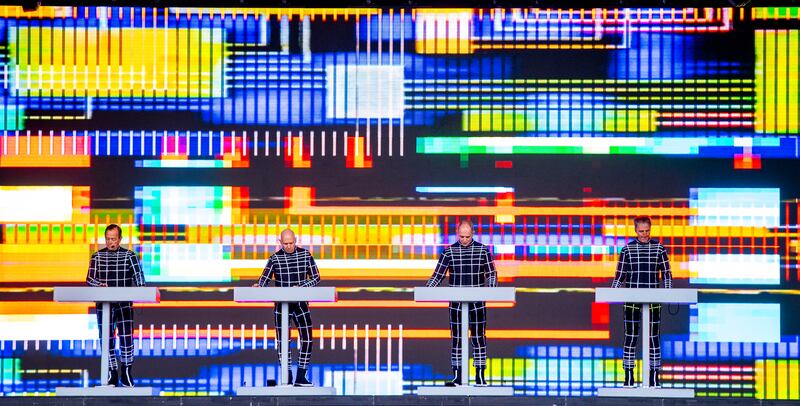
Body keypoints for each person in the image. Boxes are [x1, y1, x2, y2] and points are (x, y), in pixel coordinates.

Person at [426, 219, 497, 387]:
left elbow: (491, 273)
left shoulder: (482, 250)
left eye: (467, 236)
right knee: (457, 338)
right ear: (457, 234)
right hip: (456, 303)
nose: (464, 239)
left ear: (472, 234)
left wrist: (493, 289)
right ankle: (458, 376)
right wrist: (427, 289)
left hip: (477, 302)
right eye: (461, 236)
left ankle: (480, 376)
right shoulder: (449, 252)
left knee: (478, 338)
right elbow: (438, 275)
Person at [611, 216, 673, 388]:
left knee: (653, 338)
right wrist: (612, 293)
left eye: (647, 231)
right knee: (630, 337)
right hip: (631, 299)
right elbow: (620, 274)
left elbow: (667, 272)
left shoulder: (659, 248)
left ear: (650, 229)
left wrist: (668, 293)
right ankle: (628, 377)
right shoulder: (627, 250)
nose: (644, 234)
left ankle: (654, 377)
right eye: (641, 231)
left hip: (654, 300)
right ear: (635, 231)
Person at [254, 228, 320, 386]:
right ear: (280, 242)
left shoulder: (305, 255)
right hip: (281, 306)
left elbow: (316, 277)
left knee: (307, 338)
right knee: (283, 341)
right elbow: (264, 278)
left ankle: (301, 376)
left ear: (296, 240)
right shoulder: (274, 259)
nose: (289, 246)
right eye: (285, 243)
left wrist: (302, 286)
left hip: (301, 304)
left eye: (291, 243)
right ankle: (287, 375)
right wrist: (259, 286)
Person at [86, 224, 145, 387]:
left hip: (124, 304)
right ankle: (112, 372)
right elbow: (89, 280)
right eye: (107, 238)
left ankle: (126, 371)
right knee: (106, 339)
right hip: (104, 305)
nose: (110, 242)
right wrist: (100, 285)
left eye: (113, 238)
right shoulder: (96, 257)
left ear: (120, 239)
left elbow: (140, 279)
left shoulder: (129, 256)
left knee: (126, 338)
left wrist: (141, 291)